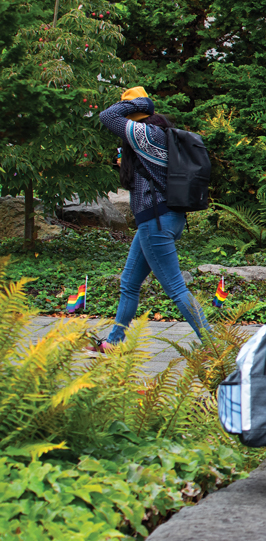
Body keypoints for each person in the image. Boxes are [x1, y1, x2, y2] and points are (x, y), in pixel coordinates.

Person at [94, 88, 211, 351]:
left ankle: (214, 345)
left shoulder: (144, 133)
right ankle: (113, 342)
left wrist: (140, 103)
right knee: (129, 284)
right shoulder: (160, 134)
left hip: (155, 222)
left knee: (177, 290)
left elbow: (108, 116)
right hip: (162, 220)